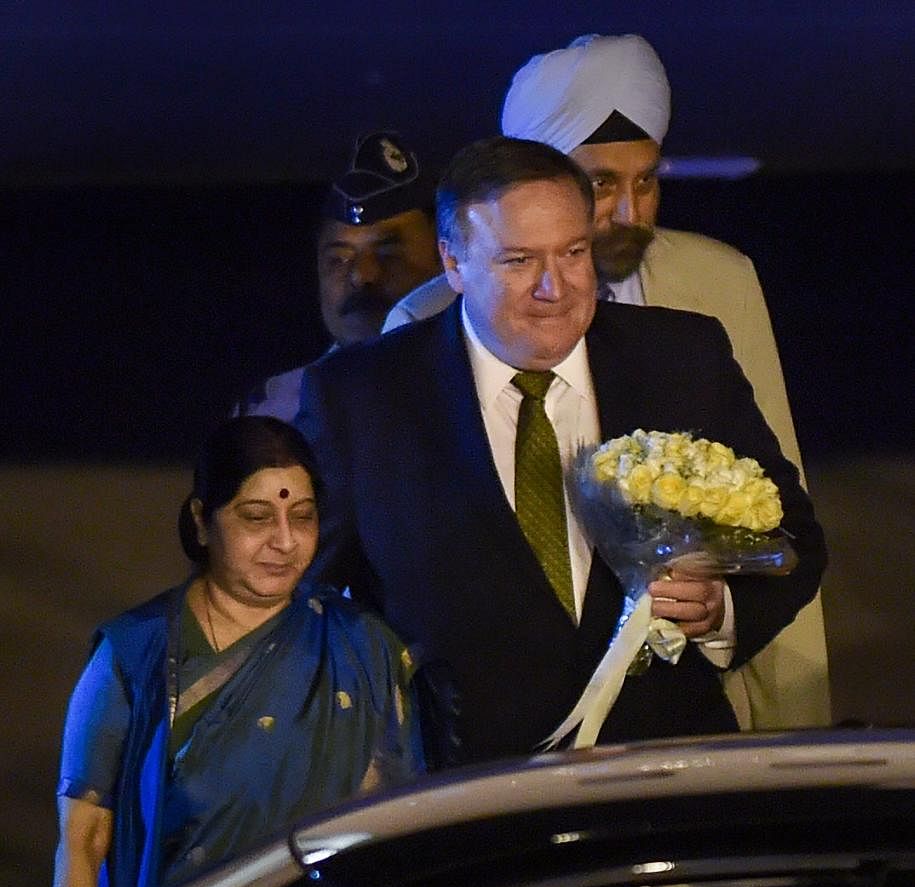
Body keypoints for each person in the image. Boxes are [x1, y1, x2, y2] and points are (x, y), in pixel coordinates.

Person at [295, 136, 827, 765]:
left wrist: (721, 610)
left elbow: (795, 543)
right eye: (518, 261)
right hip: (464, 803)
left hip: (664, 783)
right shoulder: (361, 399)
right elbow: (313, 602)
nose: (555, 287)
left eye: (573, 253)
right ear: (454, 263)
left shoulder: (682, 359)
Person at [383, 34, 830, 732]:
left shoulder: (714, 286)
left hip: (685, 710)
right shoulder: (424, 322)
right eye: (599, 185)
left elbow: (773, 507)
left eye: (645, 181)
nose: (628, 214)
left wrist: (767, 687)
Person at [51, 416, 422, 887]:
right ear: (203, 522)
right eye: (256, 518)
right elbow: (82, 840)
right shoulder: (135, 652)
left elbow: (397, 826)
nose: (286, 541)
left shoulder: (363, 646)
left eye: (303, 516)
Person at [240, 131, 441, 422]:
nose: (362, 276)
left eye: (388, 252)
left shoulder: (485, 391)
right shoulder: (276, 410)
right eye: (339, 259)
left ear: (446, 259)